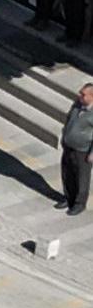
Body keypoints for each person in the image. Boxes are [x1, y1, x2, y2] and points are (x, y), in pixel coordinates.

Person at [66, 84, 93, 216]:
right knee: (68, 174)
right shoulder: (77, 105)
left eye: (83, 94)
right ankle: (69, 199)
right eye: (80, 93)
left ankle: (80, 203)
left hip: (83, 150)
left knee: (82, 177)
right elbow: (68, 119)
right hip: (69, 146)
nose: (79, 96)